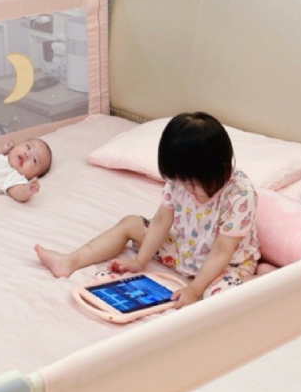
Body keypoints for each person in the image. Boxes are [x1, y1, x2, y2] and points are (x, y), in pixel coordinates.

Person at [35, 112, 258, 306]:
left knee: (219, 299)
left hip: (226, 264)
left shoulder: (239, 195)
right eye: (180, 181)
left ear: (218, 169)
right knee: (131, 223)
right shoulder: (180, 181)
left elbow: (221, 251)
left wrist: (193, 290)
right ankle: (70, 261)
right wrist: (140, 261)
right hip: (185, 249)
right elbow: (161, 220)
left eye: (190, 183)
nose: (185, 188)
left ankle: (259, 280)